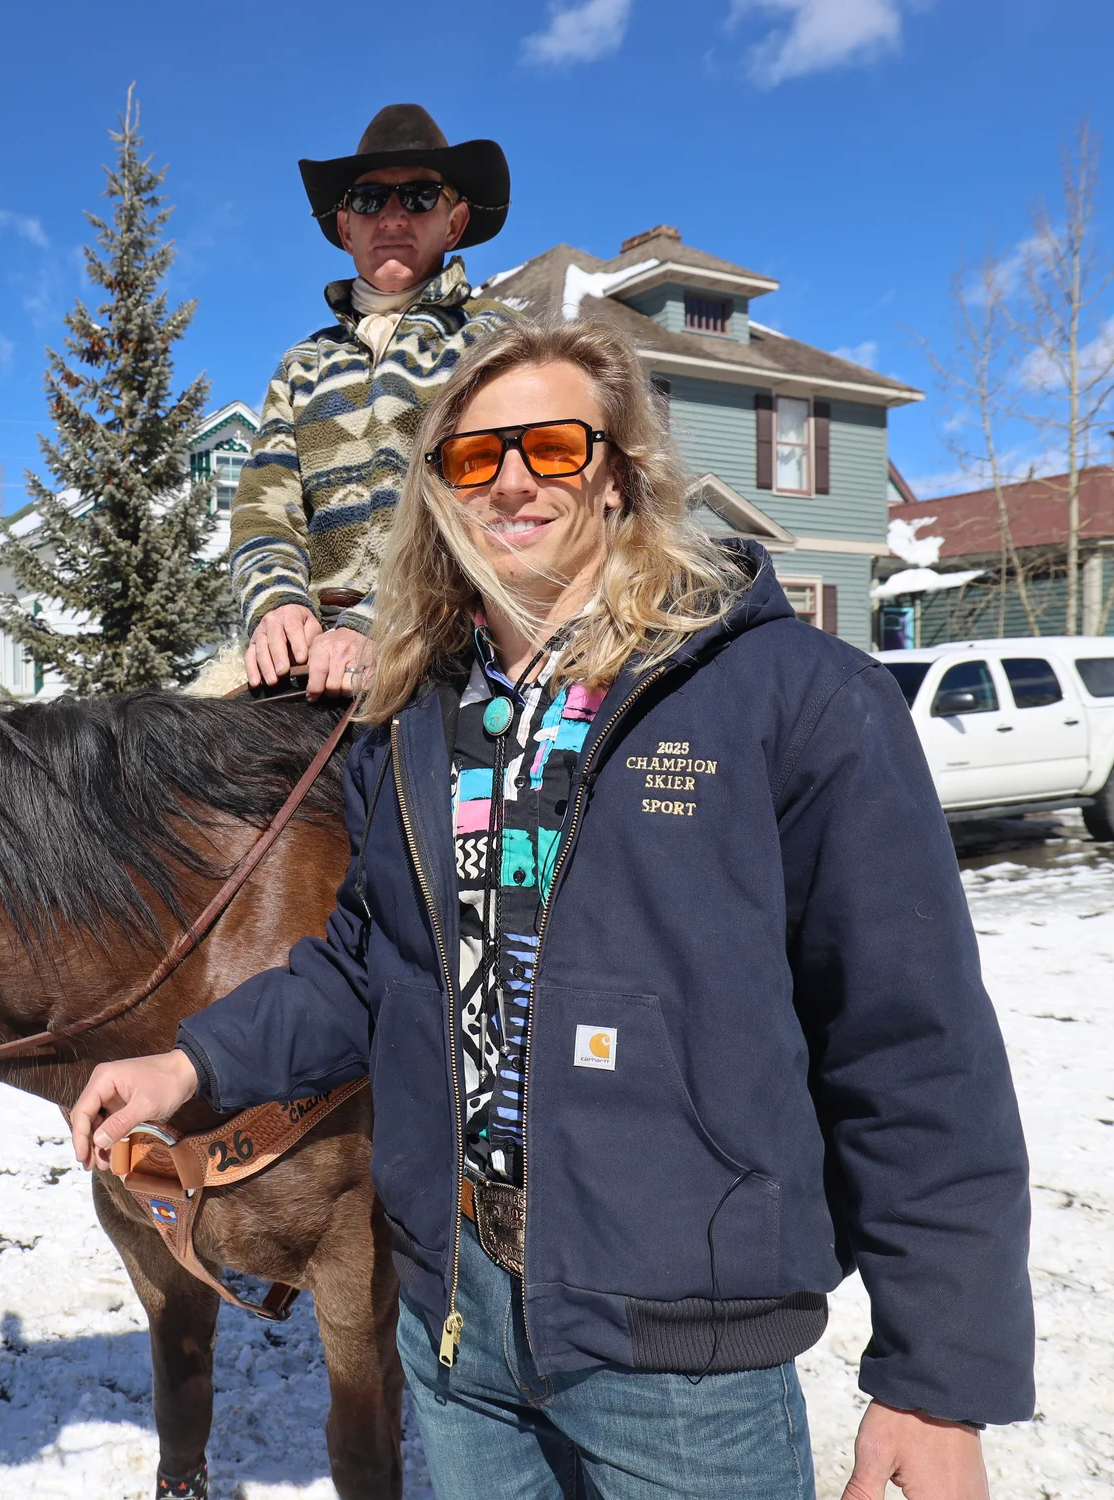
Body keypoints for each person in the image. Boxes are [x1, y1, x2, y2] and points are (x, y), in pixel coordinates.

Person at [75, 319, 1035, 1498]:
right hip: (458, 1327)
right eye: (475, 459)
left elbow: (913, 1043)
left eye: (553, 445)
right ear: (439, 495)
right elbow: (372, 958)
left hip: (679, 1354)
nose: (514, 479)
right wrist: (190, 1067)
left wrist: (938, 1377)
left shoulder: (790, 698)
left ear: (622, 472)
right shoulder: (419, 718)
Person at [235, 104, 514, 698]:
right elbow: (266, 509)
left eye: (418, 196)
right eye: (368, 200)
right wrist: (277, 605)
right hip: (313, 657)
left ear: (454, 222)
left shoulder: (493, 344)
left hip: (458, 646)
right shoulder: (301, 366)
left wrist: (382, 620)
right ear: (345, 228)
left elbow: (490, 508)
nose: (391, 215)